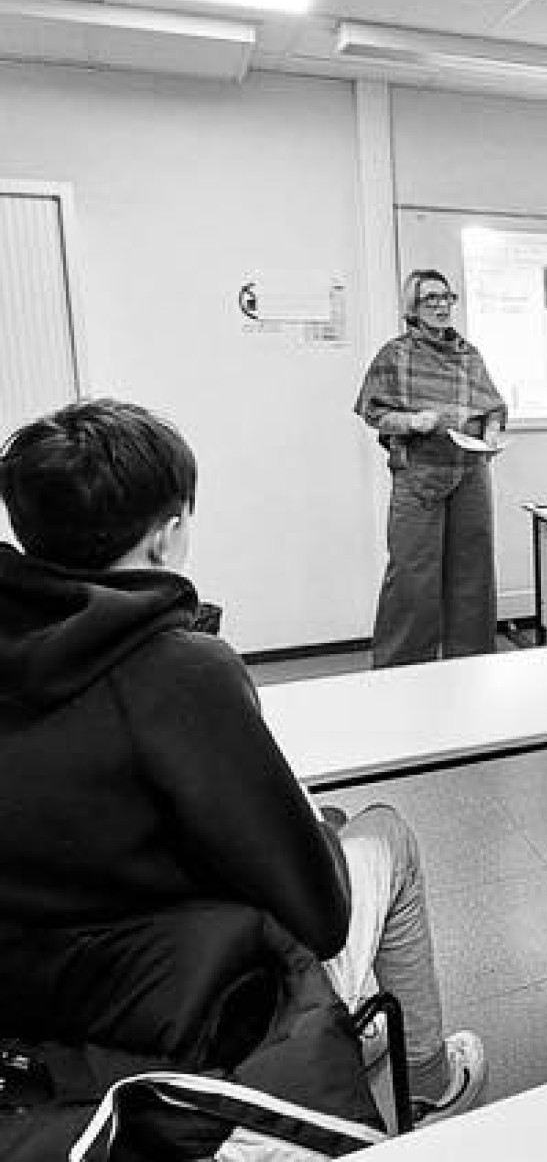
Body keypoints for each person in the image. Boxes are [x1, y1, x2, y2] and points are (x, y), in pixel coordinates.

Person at [0, 398, 486, 1127]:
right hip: (190, 1000)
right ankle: (431, 1081)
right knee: (385, 833)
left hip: (40, 1000)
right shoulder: (180, 671)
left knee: (325, 820)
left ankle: (362, 1034)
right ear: (168, 536)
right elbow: (321, 914)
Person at [355, 269, 507, 668]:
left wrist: (491, 434)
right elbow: (373, 412)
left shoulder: (469, 355)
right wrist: (411, 422)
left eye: (446, 297)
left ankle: (473, 666)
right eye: (431, 299)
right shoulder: (395, 355)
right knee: (413, 577)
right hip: (417, 478)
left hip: (470, 473)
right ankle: (401, 671)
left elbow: (493, 408)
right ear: (413, 307)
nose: (441, 306)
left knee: (473, 576)